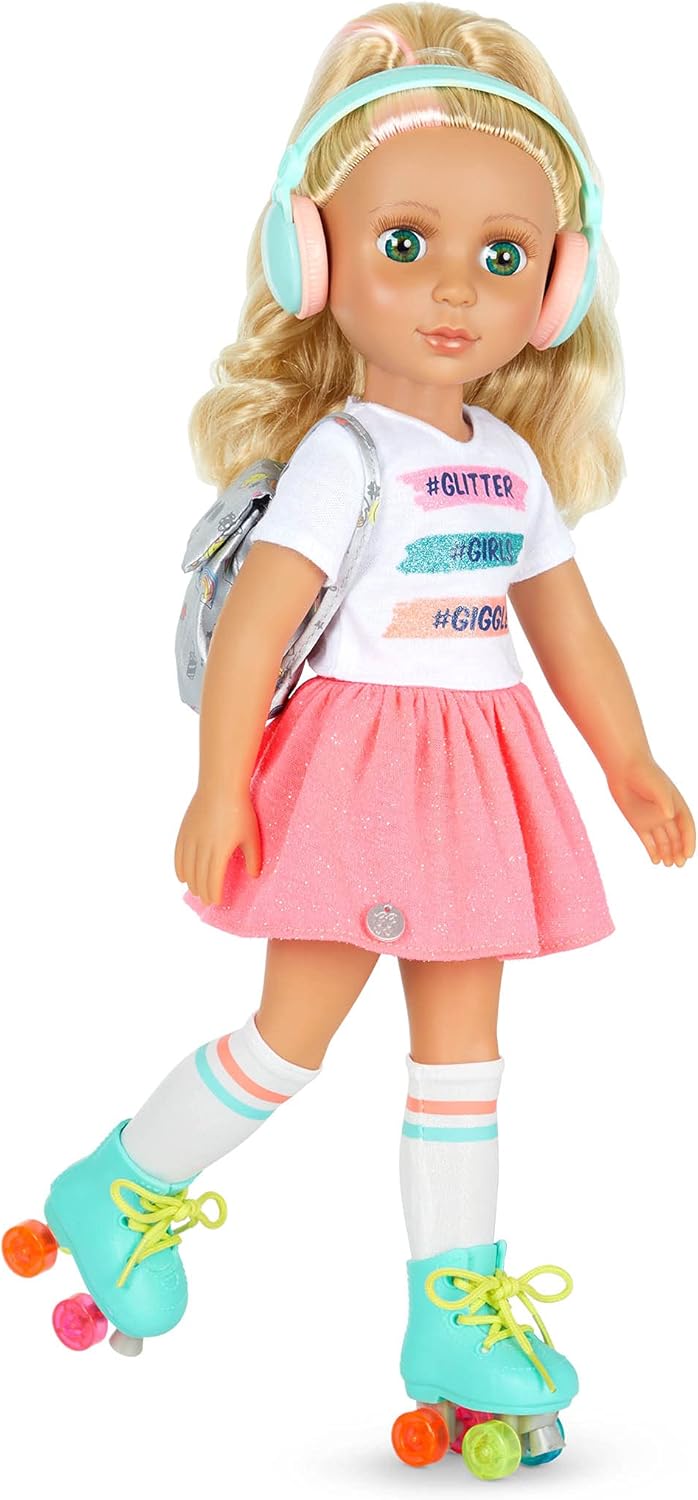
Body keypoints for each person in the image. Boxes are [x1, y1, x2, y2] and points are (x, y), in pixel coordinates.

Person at [6, 1, 694, 1473]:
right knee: (291, 1036)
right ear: (310, 259)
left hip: (480, 782)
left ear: (557, 285)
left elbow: (568, 628)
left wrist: (628, 760)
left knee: (466, 1057)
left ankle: (454, 1312)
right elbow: (258, 625)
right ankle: (117, 1189)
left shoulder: (509, 462)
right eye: (405, 243)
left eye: (501, 258)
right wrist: (218, 782)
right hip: (358, 781)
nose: (453, 289)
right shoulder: (346, 454)